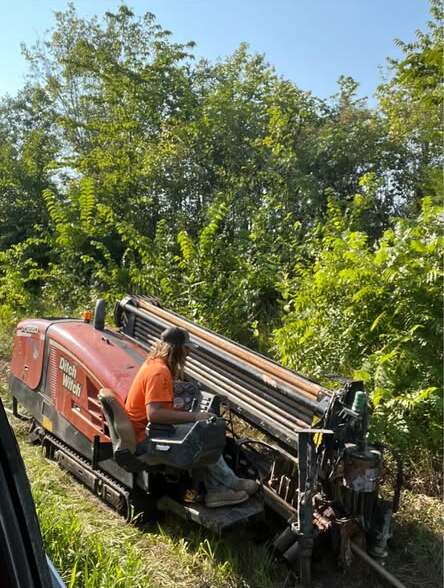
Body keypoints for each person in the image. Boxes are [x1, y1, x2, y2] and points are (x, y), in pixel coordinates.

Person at [125, 326, 258, 508]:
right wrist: (195, 416)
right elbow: (154, 414)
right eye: (186, 348)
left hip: (148, 430)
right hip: (145, 438)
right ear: (176, 349)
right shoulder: (159, 372)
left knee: (198, 431)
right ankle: (222, 488)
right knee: (201, 436)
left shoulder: (154, 364)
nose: (188, 353)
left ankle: (218, 487)